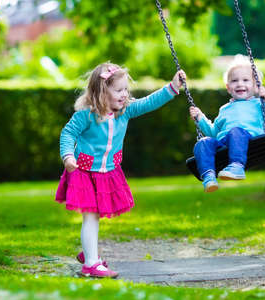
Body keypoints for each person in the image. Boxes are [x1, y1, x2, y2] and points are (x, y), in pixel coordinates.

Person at [55, 62, 186, 278]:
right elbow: (68, 134)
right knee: (91, 217)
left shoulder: (123, 112)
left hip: (107, 172)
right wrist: (68, 156)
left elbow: (149, 102)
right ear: (101, 92)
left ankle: (90, 253)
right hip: (84, 172)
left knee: (94, 217)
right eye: (118, 90)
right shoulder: (86, 116)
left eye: (126, 89)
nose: (124, 94)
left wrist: (172, 87)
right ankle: (90, 263)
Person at [189, 55, 265, 192]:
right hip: (225, 142)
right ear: (228, 87)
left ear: (256, 86)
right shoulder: (224, 109)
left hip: (250, 140)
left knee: (236, 131)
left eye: (245, 80)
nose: (240, 84)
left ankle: (237, 166)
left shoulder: (259, 104)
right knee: (202, 143)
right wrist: (200, 118)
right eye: (234, 81)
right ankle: (209, 176)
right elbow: (214, 133)